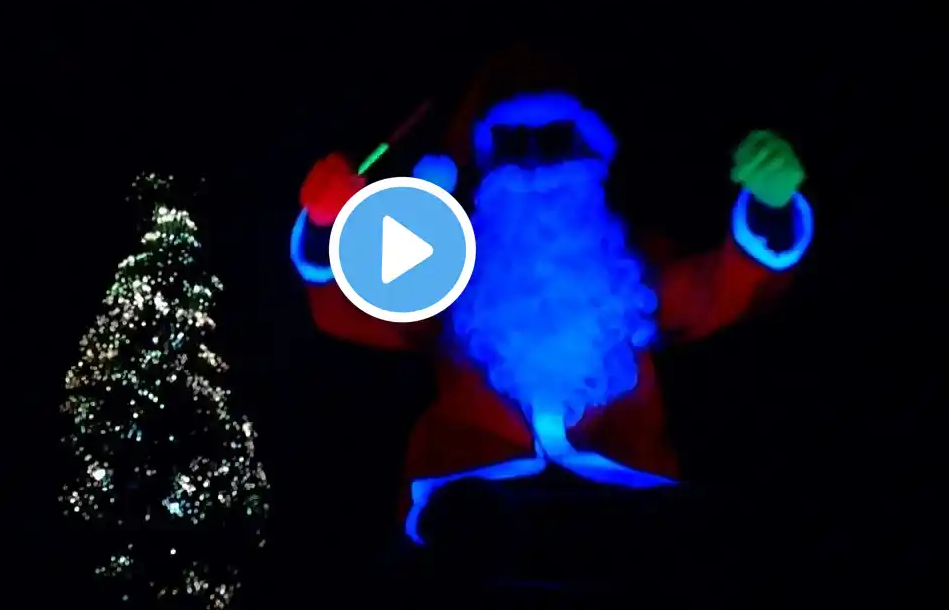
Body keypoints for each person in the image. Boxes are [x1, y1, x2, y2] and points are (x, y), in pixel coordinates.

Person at [289, 45, 815, 545]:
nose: (534, 165)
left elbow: (718, 291)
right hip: (475, 490)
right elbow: (351, 310)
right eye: (513, 144)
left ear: (592, 150)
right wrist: (328, 227)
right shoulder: (449, 266)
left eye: (556, 140)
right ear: (485, 160)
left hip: (623, 485)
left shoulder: (628, 265)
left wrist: (770, 209)